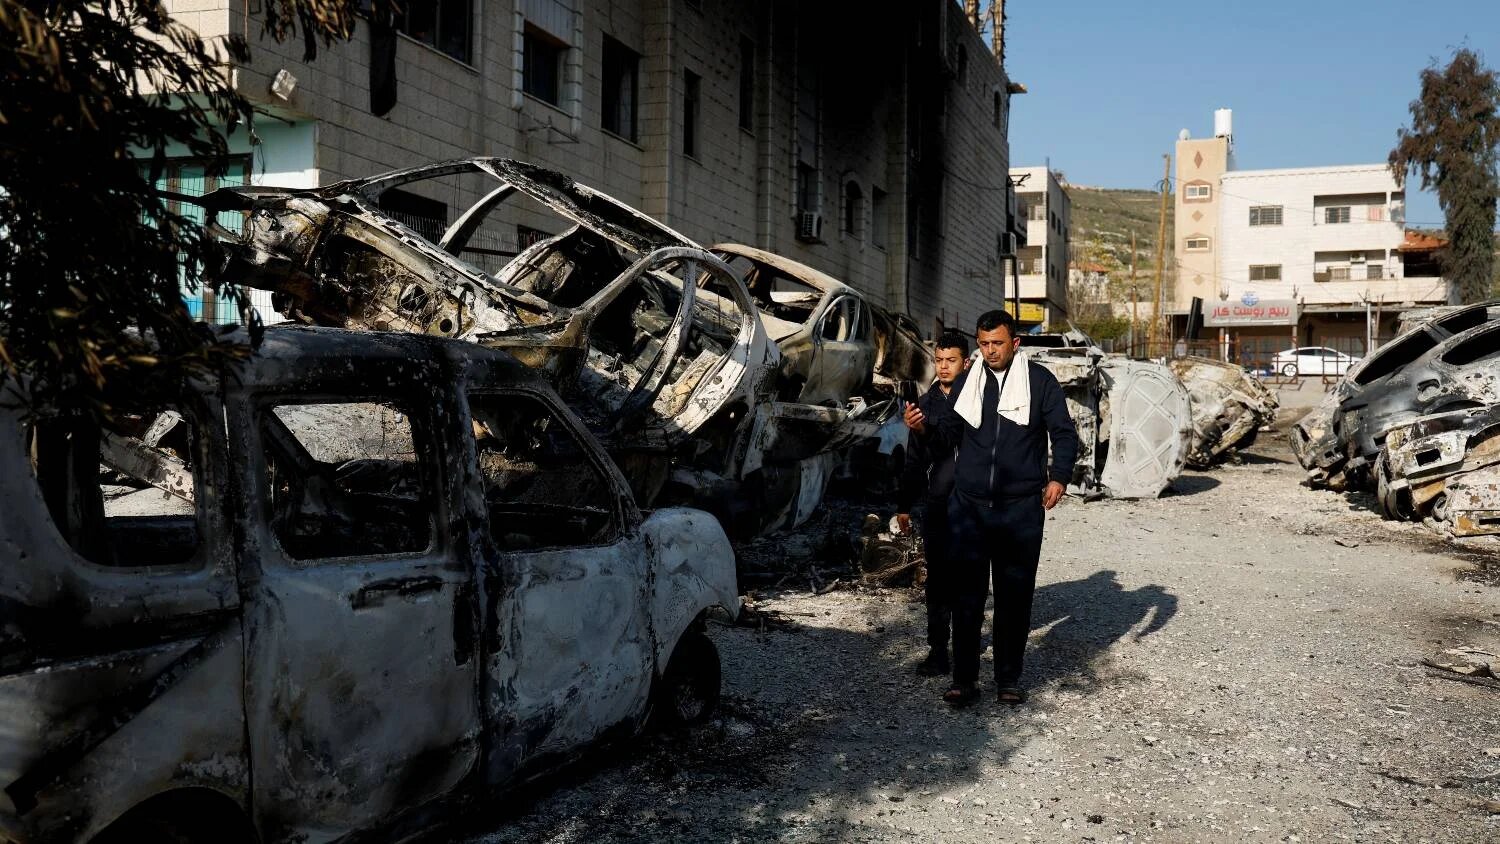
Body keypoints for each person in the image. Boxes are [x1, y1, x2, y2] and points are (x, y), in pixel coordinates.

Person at [908, 309, 1078, 707]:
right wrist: (922, 429)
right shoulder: (970, 381)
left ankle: (1008, 679)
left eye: (997, 343)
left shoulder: (1040, 382)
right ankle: (964, 680)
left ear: (1014, 343)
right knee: (967, 597)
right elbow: (949, 434)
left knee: (1013, 596)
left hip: (1020, 509)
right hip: (969, 509)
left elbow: (1063, 433)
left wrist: (1059, 476)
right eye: (983, 344)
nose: (989, 351)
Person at [896, 331, 972, 676]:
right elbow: (914, 459)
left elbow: (949, 436)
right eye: (939, 360)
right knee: (939, 581)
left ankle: (967, 650)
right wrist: (905, 503)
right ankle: (939, 649)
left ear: (965, 362)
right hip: (938, 504)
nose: (943, 367)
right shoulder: (924, 405)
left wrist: (926, 429)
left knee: (969, 581)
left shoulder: (977, 400)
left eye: (951, 360)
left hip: (972, 504)